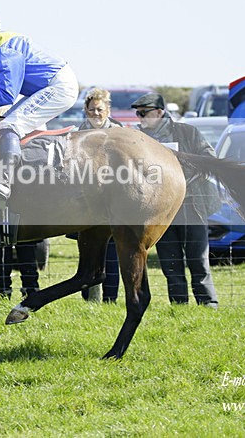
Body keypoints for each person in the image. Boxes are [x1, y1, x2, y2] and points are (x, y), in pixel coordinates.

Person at [0, 6, 79, 199]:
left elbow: (5, 96)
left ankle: (4, 179)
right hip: (47, 87)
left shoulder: (3, 50)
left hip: (59, 87)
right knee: (4, 123)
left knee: (10, 125)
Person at [132, 92, 219, 308]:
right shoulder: (137, 140)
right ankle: (179, 307)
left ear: (160, 112)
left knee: (198, 260)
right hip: (159, 210)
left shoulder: (187, 132)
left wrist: (182, 174)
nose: (140, 117)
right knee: (170, 263)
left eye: (144, 113)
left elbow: (209, 159)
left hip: (190, 204)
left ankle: (208, 304)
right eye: (138, 113)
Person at [77, 88, 122, 303]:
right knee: (88, 249)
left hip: (113, 201)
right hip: (86, 202)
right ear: (85, 110)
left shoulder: (119, 132)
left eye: (100, 109)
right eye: (92, 109)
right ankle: (89, 300)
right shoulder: (77, 133)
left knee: (112, 253)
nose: (96, 113)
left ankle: (110, 299)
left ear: (108, 110)